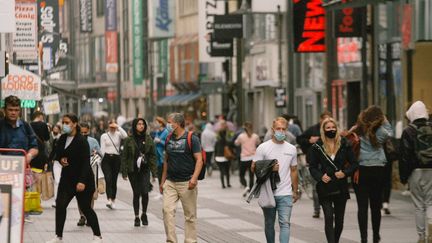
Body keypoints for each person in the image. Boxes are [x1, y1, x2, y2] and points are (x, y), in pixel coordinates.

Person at [47, 113, 102, 243]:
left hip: (83, 180)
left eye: (67, 123)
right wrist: (61, 159)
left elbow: (85, 163)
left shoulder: (82, 141)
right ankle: (58, 236)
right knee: (60, 205)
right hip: (67, 179)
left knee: (86, 208)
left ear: (75, 124)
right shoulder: (62, 138)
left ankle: (97, 235)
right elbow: (58, 153)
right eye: (63, 122)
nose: (64, 125)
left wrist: (82, 181)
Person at [308, 118, 358, 243]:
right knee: (329, 217)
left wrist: (345, 173)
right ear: (323, 130)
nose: (331, 130)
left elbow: (354, 163)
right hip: (325, 186)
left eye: (333, 127)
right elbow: (312, 167)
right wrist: (320, 176)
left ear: (337, 128)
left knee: (339, 221)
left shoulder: (344, 144)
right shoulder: (317, 146)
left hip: (340, 186)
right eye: (328, 128)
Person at [252, 117, 299, 243]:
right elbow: (254, 168)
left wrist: (295, 190)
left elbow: (294, 170)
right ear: (273, 130)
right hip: (268, 193)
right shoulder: (263, 147)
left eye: (283, 129)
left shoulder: (291, 149)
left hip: (285, 193)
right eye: (278, 129)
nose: (281, 131)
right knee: (269, 223)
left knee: (285, 223)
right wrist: (269, 168)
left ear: (287, 130)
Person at [159, 113, 204, 243]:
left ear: (177, 124)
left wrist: (194, 179)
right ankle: (171, 240)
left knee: (190, 216)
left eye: (169, 122)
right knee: (167, 211)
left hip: (187, 183)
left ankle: (190, 241)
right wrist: (162, 182)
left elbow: (199, 160)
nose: (168, 124)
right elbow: (166, 161)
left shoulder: (191, 138)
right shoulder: (168, 138)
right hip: (170, 182)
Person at [353, 106, 393, 243]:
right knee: (376, 206)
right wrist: (385, 120)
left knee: (362, 207)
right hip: (378, 170)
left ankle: (363, 238)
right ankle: (376, 236)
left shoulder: (358, 129)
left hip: (361, 169)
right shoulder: (381, 131)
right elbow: (390, 133)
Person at [399, 101, 432, 243]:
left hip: (415, 171)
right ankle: (431, 225)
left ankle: (421, 236)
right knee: (431, 202)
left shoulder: (408, 131)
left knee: (419, 205)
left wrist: (403, 177)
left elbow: (404, 156)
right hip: (431, 170)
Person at [121, 118, 157, 227]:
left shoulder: (148, 138)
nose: (141, 126)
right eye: (139, 124)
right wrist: (124, 172)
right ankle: (136, 216)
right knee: (136, 193)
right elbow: (124, 157)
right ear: (135, 125)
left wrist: (154, 173)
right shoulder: (129, 139)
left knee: (145, 192)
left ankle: (144, 214)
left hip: (145, 169)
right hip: (133, 170)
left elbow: (152, 156)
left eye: (143, 124)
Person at [296, 110, 332, 218]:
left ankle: (330, 209)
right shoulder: (313, 129)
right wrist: (309, 140)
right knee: (316, 186)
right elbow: (300, 139)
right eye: (325, 119)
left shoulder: (333, 130)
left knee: (330, 186)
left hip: (330, 162)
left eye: (329, 119)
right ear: (321, 119)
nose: (327, 122)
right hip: (315, 162)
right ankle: (317, 209)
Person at [77, 123, 102, 227]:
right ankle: (82, 216)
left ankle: (89, 216)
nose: (83, 134)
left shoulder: (93, 141)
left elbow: (101, 155)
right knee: (79, 194)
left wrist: (96, 153)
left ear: (89, 131)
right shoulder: (75, 141)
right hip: (78, 170)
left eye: (85, 133)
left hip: (91, 169)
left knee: (91, 193)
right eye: (81, 132)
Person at [100, 119, 127, 209]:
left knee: (114, 180)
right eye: (111, 126)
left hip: (116, 158)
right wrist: (101, 160)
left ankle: (113, 199)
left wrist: (118, 127)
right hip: (106, 158)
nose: (112, 128)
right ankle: (109, 199)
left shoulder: (119, 134)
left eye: (114, 126)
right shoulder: (104, 136)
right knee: (108, 179)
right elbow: (102, 149)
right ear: (108, 126)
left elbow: (125, 136)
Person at [235, 121, 260, 196]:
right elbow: (258, 143)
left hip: (244, 158)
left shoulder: (241, 136)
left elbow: (236, 143)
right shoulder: (255, 136)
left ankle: (246, 186)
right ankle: (251, 190)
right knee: (251, 175)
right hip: (253, 158)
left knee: (241, 175)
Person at [30, 111, 51, 194]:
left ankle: (32, 191)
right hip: (40, 152)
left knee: (31, 172)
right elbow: (47, 138)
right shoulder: (43, 125)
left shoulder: (29, 125)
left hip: (31, 151)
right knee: (39, 172)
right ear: (39, 116)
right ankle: (37, 194)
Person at [214, 121, 234, 188]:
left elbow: (215, 150)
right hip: (226, 156)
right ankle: (228, 183)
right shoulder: (227, 140)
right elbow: (231, 145)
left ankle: (223, 185)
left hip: (219, 157)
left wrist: (215, 157)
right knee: (227, 171)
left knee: (222, 171)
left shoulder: (217, 140)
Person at [49, 124, 62, 208]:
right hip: (57, 162)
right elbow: (53, 151)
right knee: (57, 181)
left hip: (66, 163)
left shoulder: (66, 139)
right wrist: (49, 160)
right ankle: (56, 200)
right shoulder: (56, 140)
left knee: (62, 182)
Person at [154, 117, 168, 188]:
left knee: (164, 174)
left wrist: (160, 141)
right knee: (159, 174)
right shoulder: (157, 132)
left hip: (163, 156)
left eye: (156, 122)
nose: (155, 124)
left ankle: (164, 191)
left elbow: (168, 143)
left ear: (161, 123)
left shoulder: (166, 132)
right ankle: (161, 191)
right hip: (158, 156)